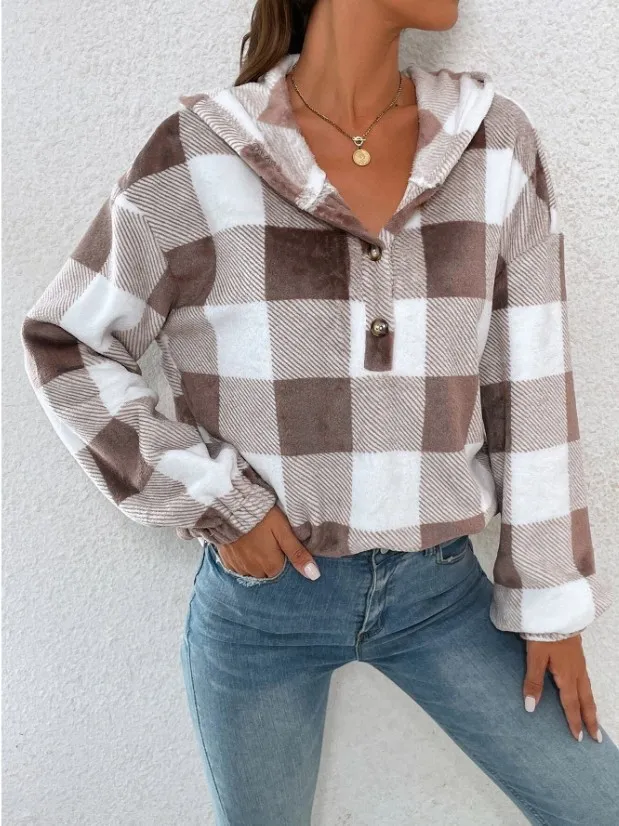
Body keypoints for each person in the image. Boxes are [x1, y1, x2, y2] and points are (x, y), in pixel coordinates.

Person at [21, 0, 619, 823]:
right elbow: (68, 342)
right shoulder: (197, 152)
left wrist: (550, 605)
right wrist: (217, 503)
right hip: (263, 604)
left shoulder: (493, 144)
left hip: (440, 593)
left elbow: (532, 380)